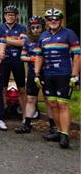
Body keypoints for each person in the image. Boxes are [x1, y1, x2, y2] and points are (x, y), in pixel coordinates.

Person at [34, 8, 80, 149]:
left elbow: (77, 55)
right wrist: (36, 74)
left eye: (56, 19)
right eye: (50, 19)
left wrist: (75, 75)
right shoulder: (43, 36)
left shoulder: (69, 34)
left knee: (63, 104)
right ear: (47, 21)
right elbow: (39, 56)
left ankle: (65, 135)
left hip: (64, 74)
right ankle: (59, 132)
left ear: (60, 20)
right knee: (53, 104)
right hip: (48, 75)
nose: (53, 21)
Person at [16, 16, 46, 134]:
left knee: (49, 100)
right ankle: (27, 124)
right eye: (32, 27)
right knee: (30, 98)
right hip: (32, 72)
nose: (35, 30)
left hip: (47, 72)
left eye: (38, 27)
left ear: (43, 27)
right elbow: (22, 56)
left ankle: (53, 126)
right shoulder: (28, 40)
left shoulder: (48, 39)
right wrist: (32, 58)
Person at [0, 5, 27, 119]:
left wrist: (5, 40)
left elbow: (22, 43)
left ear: (16, 16)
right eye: (8, 15)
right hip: (3, 60)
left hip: (17, 61)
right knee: (2, 88)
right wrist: (15, 40)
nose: (10, 17)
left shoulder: (22, 28)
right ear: (5, 16)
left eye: (12, 15)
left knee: (21, 88)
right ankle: (2, 114)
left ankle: (26, 116)